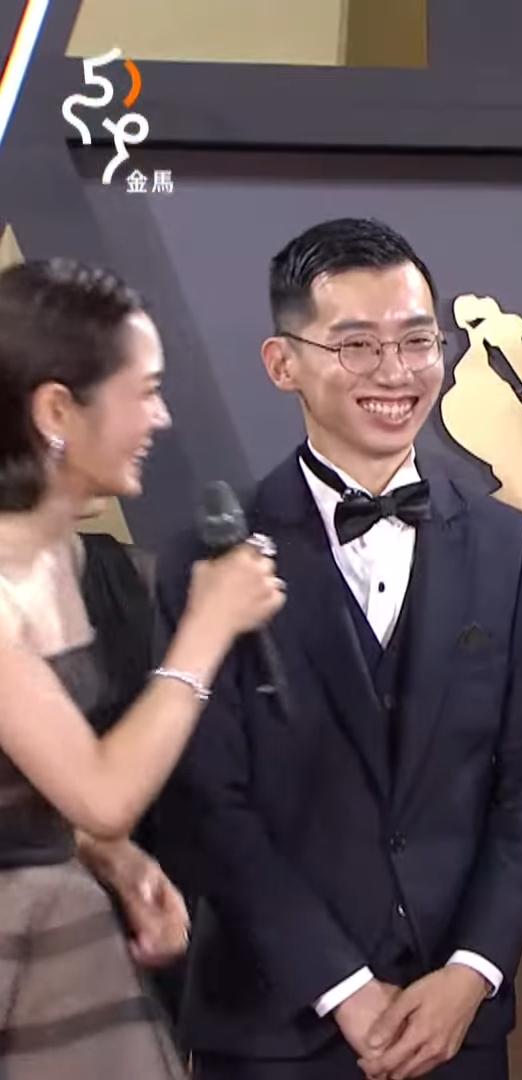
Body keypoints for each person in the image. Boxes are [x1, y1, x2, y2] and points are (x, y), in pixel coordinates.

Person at [154, 218, 522, 1080]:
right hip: (272, 1029)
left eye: (417, 341)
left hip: (452, 1027)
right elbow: (206, 801)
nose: (395, 371)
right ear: (283, 363)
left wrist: (472, 972)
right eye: (356, 345)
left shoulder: (508, 547)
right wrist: (341, 985)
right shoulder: (210, 554)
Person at [0, 258, 284, 1076]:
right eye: (146, 391)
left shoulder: (74, 561)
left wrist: (109, 856)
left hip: (64, 945)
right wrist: (208, 627)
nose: (162, 416)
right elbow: (101, 792)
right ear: (57, 410)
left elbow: (46, 798)